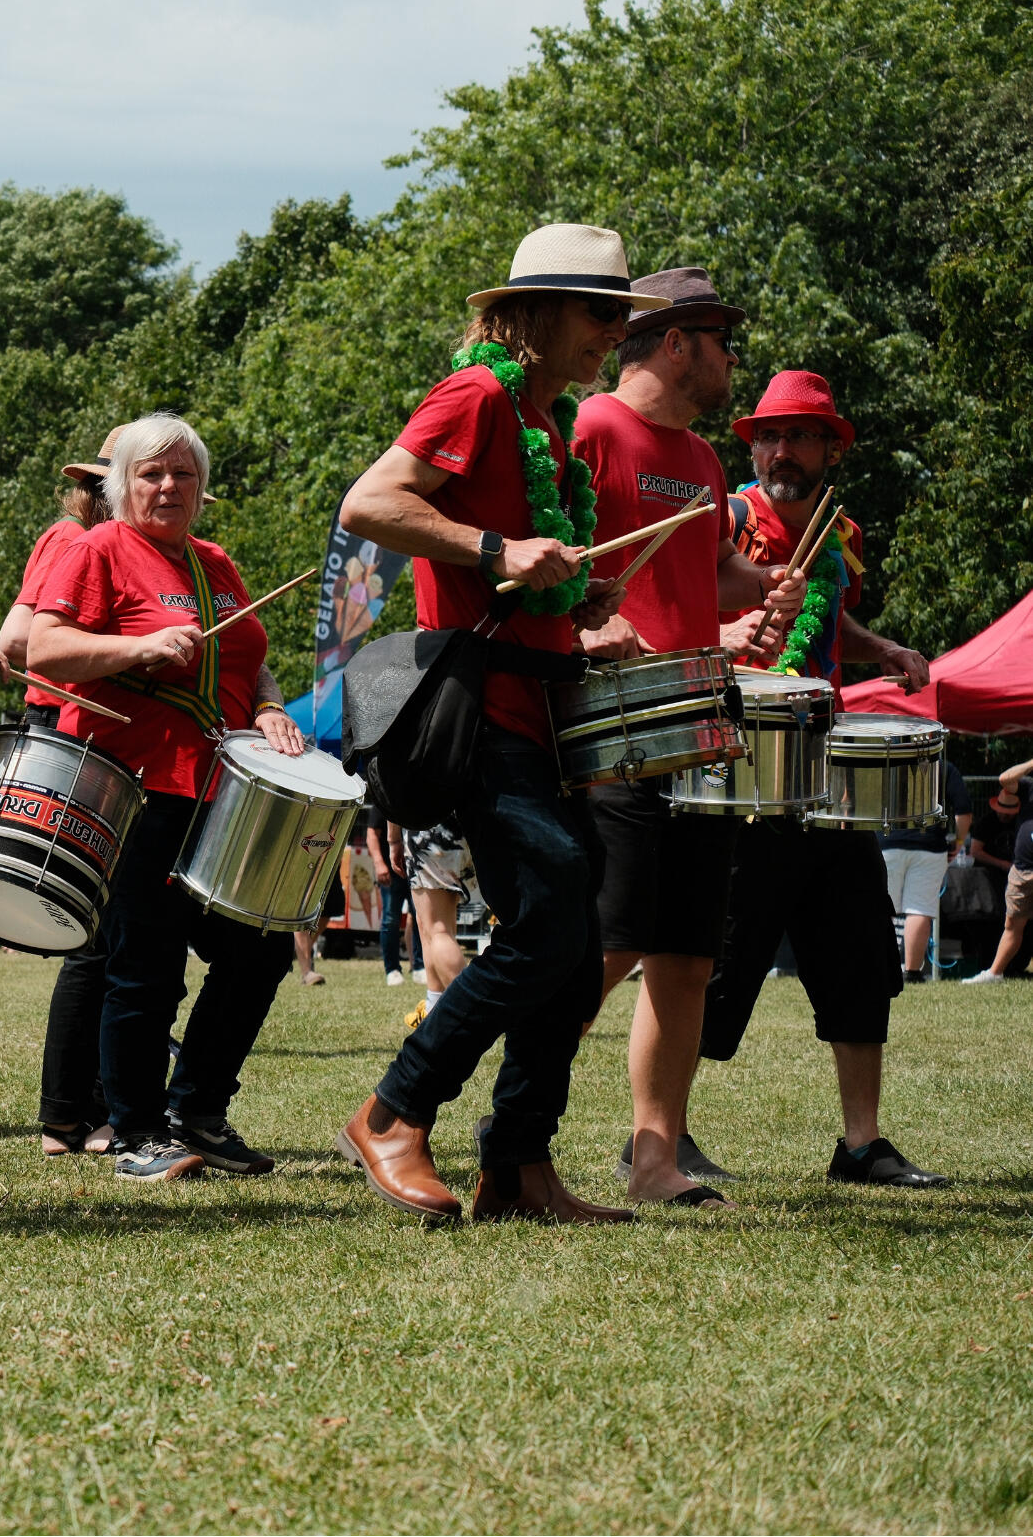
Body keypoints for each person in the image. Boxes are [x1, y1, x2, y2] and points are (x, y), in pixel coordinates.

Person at [335, 223, 648, 1225]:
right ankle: (392, 1110)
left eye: (619, 317)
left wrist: (583, 599)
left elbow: (528, 576)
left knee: (569, 928)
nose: (612, 334)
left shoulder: (547, 424)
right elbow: (369, 503)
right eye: (601, 314)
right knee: (551, 912)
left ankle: (516, 1166)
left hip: (549, 705)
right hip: (482, 715)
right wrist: (494, 545)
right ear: (543, 311)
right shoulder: (474, 396)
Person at [567, 269, 802, 1207]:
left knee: (687, 955)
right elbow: (543, 555)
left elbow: (710, 575)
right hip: (613, 722)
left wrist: (761, 592)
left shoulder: (704, 463)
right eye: (720, 340)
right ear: (675, 342)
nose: (731, 358)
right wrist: (586, 630)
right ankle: (502, 1112)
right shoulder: (589, 429)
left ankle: (654, 1159)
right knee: (608, 941)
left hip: (701, 722)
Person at [29, 413, 308, 1181]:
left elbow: (250, 657)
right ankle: (136, 1132)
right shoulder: (98, 550)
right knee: (145, 966)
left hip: (219, 792)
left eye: (183, 474)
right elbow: (43, 649)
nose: (168, 486)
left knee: (262, 951)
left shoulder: (215, 563)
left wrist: (271, 707)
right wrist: (135, 648)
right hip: (131, 787)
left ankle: (200, 1111)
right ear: (122, 486)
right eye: (151, 473)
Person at [699, 370, 946, 1187]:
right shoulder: (729, 520)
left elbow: (828, 619)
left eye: (799, 435)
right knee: (714, 962)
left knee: (860, 954)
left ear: (831, 448)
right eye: (768, 435)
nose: (780, 450)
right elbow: (680, 609)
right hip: (741, 776)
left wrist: (886, 652)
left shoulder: (843, 535)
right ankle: (656, 1137)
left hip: (828, 775)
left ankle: (861, 1144)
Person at [0, 434, 119, 1156]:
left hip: (96, 741)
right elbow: (19, 641)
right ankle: (68, 1115)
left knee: (111, 936)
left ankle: (88, 1108)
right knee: (97, 938)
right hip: (73, 740)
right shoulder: (73, 538)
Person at [883, 756, 972, 982]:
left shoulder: (885, 761)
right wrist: (959, 841)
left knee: (881, 908)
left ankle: (878, 968)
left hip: (886, 841)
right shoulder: (944, 767)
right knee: (919, 909)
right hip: (929, 845)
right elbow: (963, 810)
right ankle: (911, 973)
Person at [396, 819, 475, 1029]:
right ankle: (433, 1007)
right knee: (431, 925)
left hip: (429, 822)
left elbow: (390, 787)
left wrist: (393, 838)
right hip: (467, 820)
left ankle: (471, 1016)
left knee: (437, 928)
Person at [962, 815, 1033, 985]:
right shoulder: (1026, 792)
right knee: (1012, 925)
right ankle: (995, 973)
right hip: (1022, 871)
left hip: (1022, 870)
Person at [362, 804, 412, 987]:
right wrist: (379, 864)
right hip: (391, 870)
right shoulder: (384, 799)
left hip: (417, 868)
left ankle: (421, 966)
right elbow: (371, 834)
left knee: (420, 919)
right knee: (390, 919)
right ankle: (392, 970)